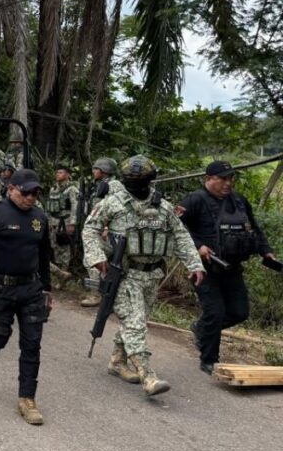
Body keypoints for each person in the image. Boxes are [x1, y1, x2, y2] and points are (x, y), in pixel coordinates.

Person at [82, 155, 204, 397]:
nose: (136, 184)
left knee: (135, 322)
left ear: (151, 180)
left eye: (141, 180)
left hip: (152, 275)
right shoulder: (112, 203)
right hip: (123, 273)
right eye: (131, 179)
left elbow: (180, 235)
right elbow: (90, 229)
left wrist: (194, 264)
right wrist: (97, 257)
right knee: (135, 322)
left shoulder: (163, 206)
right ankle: (148, 376)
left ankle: (117, 362)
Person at [0, 169, 53, 425]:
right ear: (11, 188)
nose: (31, 198)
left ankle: (27, 398)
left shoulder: (40, 217)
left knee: (32, 344)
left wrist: (47, 289)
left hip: (31, 289)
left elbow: (44, 255)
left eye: (35, 193)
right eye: (26, 192)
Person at [178, 161, 275, 374]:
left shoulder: (239, 201)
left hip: (232, 267)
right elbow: (175, 227)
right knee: (215, 312)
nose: (228, 183)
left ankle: (201, 329)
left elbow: (254, 228)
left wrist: (266, 251)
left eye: (231, 178)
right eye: (223, 178)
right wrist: (199, 246)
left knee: (240, 312)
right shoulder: (195, 200)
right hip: (202, 268)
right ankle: (209, 360)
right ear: (209, 179)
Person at [81, 157, 125, 307]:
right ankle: (102, 291)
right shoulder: (101, 185)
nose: (93, 172)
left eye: (96, 169)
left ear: (104, 171)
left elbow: (114, 207)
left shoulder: (114, 185)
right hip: (100, 229)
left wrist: (105, 228)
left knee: (92, 259)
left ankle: (95, 294)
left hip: (111, 233)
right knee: (94, 258)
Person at [46, 165, 79, 286]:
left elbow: (75, 207)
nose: (58, 174)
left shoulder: (72, 189)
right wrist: (48, 222)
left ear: (67, 175)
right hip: (54, 222)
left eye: (60, 172)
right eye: (57, 172)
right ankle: (60, 274)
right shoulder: (53, 188)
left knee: (65, 247)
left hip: (65, 222)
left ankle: (64, 274)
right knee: (55, 247)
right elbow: (49, 207)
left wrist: (72, 223)